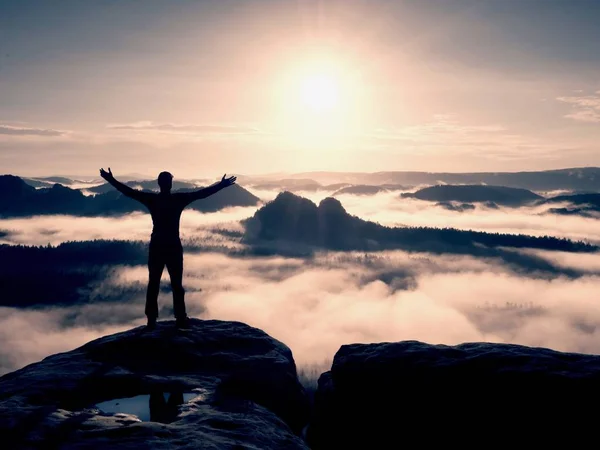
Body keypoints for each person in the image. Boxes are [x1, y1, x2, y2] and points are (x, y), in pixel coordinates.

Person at [99, 168, 236, 329]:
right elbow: (201, 194)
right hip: (173, 246)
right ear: (170, 184)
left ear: (159, 184)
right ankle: (180, 317)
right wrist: (221, 185)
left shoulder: (151, 200)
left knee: (154, 284)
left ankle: (151, 320)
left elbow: (129, 192)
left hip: (157, 245)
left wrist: (111, 180)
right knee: (176, 284)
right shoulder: (178, 199)